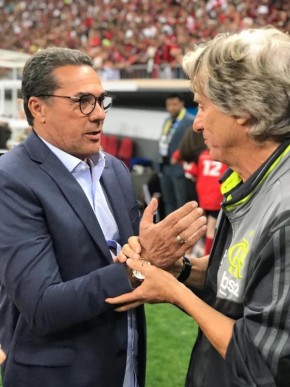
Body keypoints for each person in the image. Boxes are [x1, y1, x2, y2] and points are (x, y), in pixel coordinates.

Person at [0, 47, 207, 387]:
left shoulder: (114, 170)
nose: (98, 114)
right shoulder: (11, 179)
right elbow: (41, 306)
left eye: (100, 100)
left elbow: (133, 259)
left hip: (126, 368)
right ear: (38, 108)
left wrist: (148, 258)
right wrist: (139, 266)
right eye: (82, 101)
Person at [107, 27, 290, 387]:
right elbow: (236, 282)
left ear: (245, 111)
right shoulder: (249, 181)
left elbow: (263, 364)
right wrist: (178, 268)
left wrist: (171, 291)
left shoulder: (284, 212)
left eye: (204, 106)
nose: (197, 121)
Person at [158, 93, 195, 216]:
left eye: (174, 104)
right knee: (168, 201)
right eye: (169, 105)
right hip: (165, 166)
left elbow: (193, 145)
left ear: (181, 104)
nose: (171, 108)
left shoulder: (189, 121)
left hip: (180, 167)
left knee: (182, 203)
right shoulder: (167, 121)